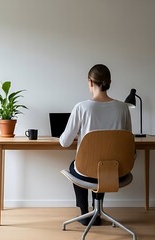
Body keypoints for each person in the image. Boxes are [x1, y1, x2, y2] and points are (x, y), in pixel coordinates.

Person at [59, 64, 132, 226]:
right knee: (106, 160)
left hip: (87, 171)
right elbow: (128, 140)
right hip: (116, 172)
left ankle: (85, 213)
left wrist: (81, 136)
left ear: (90, 82)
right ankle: (97, 210)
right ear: (109, 82)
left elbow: (64, 142)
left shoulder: (82, 107)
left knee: (77, 165)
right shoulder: (123, 108)